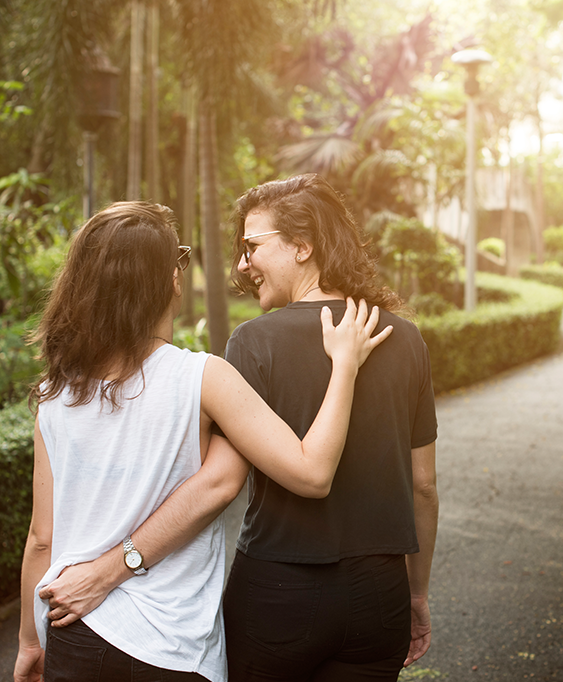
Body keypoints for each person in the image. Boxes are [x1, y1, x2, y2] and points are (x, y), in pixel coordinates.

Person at [41, 174, 439, 681]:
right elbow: (423, 487)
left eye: (252, 247)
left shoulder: (253, 342)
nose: (242, 265)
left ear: (302, 245)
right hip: (378, 595)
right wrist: (416, 592)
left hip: (279, 593)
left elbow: (219, 480)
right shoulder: (403, 338)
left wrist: (108, 569)